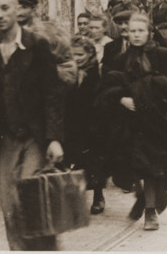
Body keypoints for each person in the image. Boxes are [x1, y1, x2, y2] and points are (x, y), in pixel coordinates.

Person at [0, 0, 64, 251]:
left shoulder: (36, 44)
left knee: (29, 195)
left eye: (5, 9)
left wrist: (54, 139)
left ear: (16, 10)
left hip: (35, 134)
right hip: (6, 137)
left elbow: (52, 93)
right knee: (9, 203)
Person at [95, 13, 167, 231]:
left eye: (140, 31)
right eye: (132, 31)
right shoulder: (121, 59)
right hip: (129, 120)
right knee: (129, 163)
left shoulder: (162, 55)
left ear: (149, 32)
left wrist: (142, 93)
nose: (135, 35)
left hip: (156, 121)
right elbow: (109, 84)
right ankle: (142, 195)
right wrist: (122, 98)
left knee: (152, 166)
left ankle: (150, 211)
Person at [63, 35, 105, 214]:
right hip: (71, 122)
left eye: (79, 54)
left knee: (93, 162)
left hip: (91, 122)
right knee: (71, 160)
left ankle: (98, 195)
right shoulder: (66, 71)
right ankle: (74, 199)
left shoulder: (96, 71)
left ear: (88, 54)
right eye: (73, 54)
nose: (76, 58)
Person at [101, 10, 133, 76]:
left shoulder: (142, 46)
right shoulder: (109, 47)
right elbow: (105, 72)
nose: (123, 27)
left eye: (127, 23)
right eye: (120, 23)